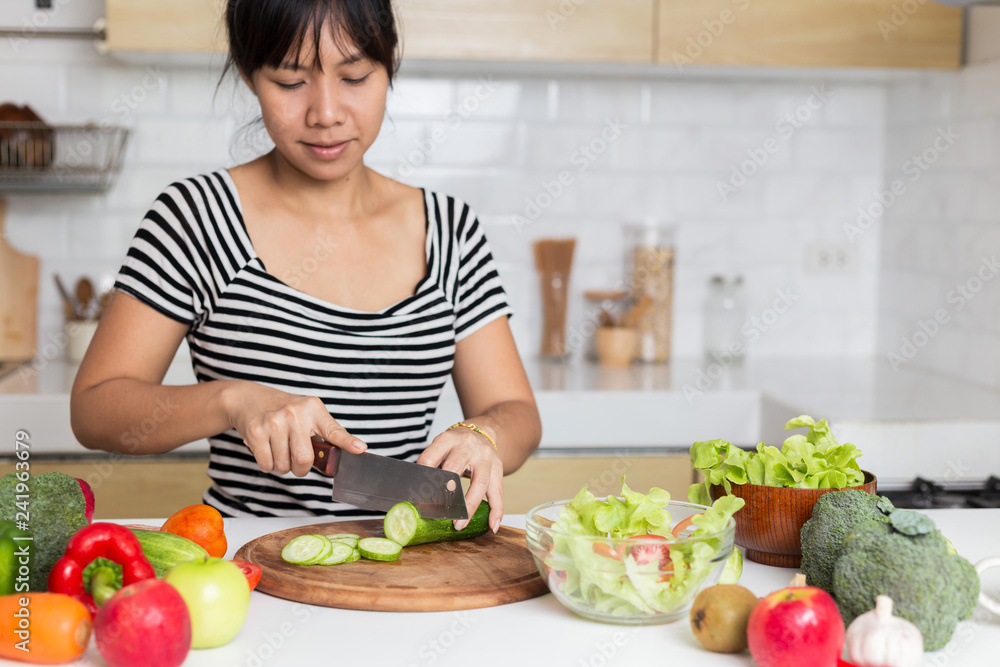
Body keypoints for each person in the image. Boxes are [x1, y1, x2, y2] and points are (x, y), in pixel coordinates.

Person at [70, 0, 541, 531]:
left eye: (355, 76)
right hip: (251, 568)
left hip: (410, 565)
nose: (326, 113)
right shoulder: (194, 218)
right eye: (291, 82)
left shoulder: (451, 231)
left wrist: (482, 437)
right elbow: (95, 410)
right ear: (250, 76)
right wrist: (233, 400)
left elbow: (515, 411)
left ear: (390, 68)